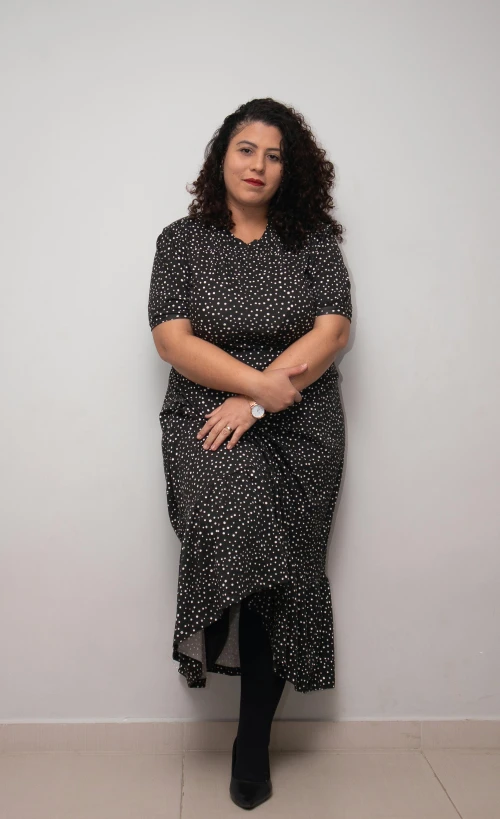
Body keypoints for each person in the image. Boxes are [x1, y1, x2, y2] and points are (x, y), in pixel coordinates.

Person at [148, 97, 352, 809]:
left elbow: (332, 334)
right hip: (208, 417)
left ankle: (252, 740)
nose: (259, 164)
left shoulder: (314, 240)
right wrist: (248, 388)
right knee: (240, 531)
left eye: (274, 154)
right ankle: (219, 618)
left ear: (290, 169)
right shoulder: (181, 239)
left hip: (302, 420)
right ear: (221, 156)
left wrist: (263, 400)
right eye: (246, 149)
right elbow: (173, 341)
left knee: (286, 568)